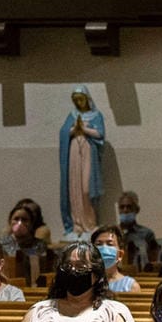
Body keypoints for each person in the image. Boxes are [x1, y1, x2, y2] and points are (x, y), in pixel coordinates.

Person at [21, 243, 136, 322]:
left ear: (96, 274)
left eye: (81, 266)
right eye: (67, 266)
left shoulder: (114, 312)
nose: (73, 270)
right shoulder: (39, 311)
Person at [59, 85, 107, 235]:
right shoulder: (72, 115)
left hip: (88, 150)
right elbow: (64, 133)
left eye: (81, 99)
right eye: (76, 100)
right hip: (74, 151)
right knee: (75, 188)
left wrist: (84, 129)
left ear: (87, 99)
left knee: (86, 189)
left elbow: (100, 134)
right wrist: (74, 129)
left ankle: (90, 223)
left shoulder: (96, 115)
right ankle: (77, 224)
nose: (79, 103)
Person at [0, 199, 54, 271]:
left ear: (31, 223)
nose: (19, 223)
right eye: (16, 219)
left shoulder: (40, 245)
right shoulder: (1, 244)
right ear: (10, 221)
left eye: (24, 220)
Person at [114, 191, 162, 271]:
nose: (125, 210)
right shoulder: (112, 232)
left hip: (139, 275)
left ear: (137, 209)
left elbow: (154, 262)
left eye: (129, 207)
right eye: (122, 207)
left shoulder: (147, 233)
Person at [91, 226, 140, 294]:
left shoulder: (130, 286)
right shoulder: (85, 284)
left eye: (110, 244)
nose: (104, 248)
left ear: (120, 255)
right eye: (99, 244)